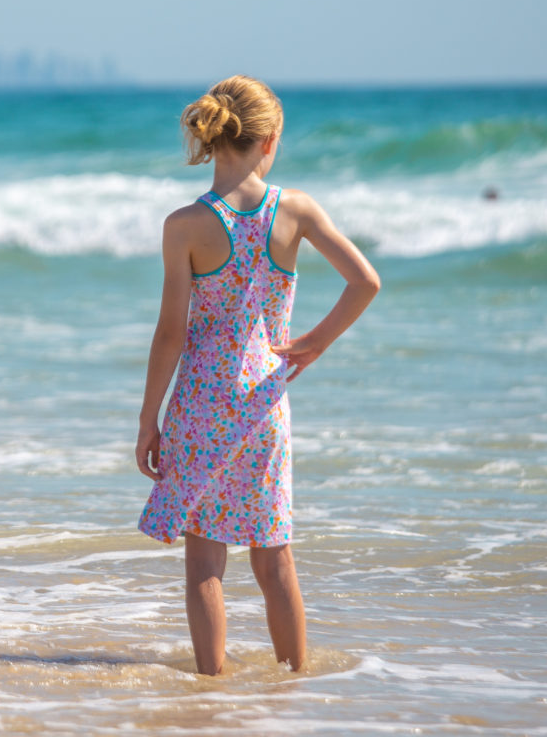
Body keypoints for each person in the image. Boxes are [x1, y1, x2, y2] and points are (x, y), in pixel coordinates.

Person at [135, 75, 380, 675]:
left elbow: (171, 332)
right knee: (274, 563)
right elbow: (365, 282)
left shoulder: (185, 225)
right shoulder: (293, 210)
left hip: (199, 405)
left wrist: (148, 418)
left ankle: (211, 687)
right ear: (269, 141)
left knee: (204, 567)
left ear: (213, 138)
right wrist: (314, 343)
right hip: (265, 403)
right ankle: (293, 684)